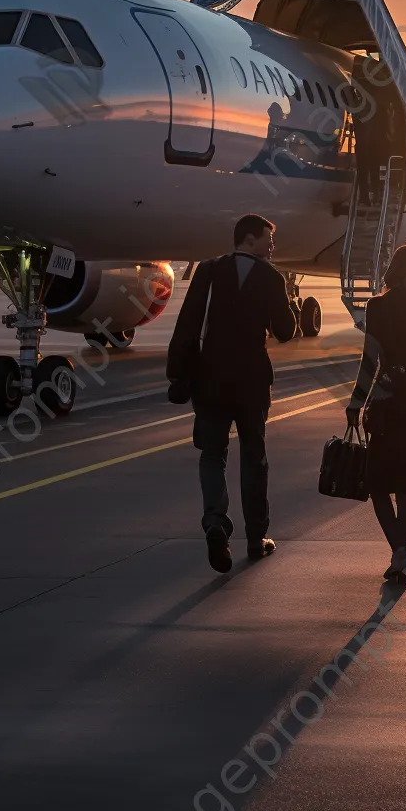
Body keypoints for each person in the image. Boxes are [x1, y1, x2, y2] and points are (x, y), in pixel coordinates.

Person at [166, 214, 297, 573]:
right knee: (254, 458)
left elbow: (188, 324)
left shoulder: (207, 272)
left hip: (210, 381)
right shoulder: (271, 278)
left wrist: (176, 372)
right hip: (251, 385)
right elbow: (285, 331)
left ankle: (215, 525)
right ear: (250, 239)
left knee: (212, 455)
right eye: (268, 238)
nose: (272, 244)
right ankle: (256, 538)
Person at [347, 244, 406, 583]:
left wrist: (356, 403)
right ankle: (400, 551)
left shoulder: (377, 307)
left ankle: (399, 552)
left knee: (377, 486)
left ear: (394, 269)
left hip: (390, 405)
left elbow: (370, 361)